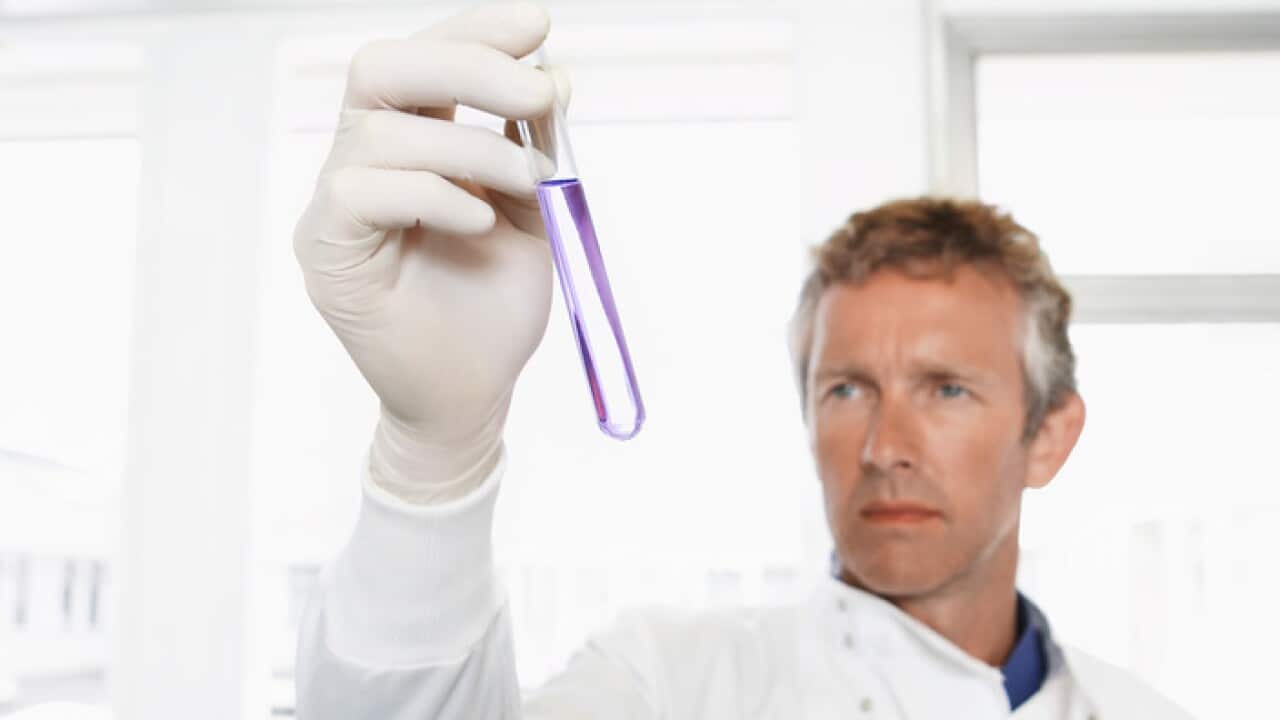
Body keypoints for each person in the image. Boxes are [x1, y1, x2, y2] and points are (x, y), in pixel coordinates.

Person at [290, 3, 1194, 718]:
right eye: (846, 389)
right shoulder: (666, 682)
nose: (885, 446)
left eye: (947, 389)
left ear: (1050, 435)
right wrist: (436, 451)